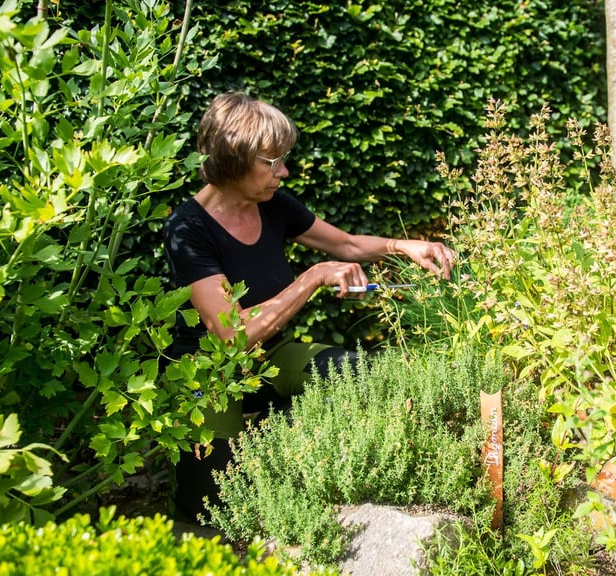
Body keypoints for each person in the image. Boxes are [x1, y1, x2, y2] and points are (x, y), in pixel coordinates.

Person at [162, 91, 455, 518]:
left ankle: (282, 455)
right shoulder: (187, 229)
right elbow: (230, 335)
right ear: (233, 157)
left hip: (272, 356)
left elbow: (347, 244)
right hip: (209, 371)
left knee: (360, 375)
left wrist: (404, 246)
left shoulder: (272, 204)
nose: (283, 171)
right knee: (209, 508)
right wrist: (313, 276)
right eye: (272, 161)